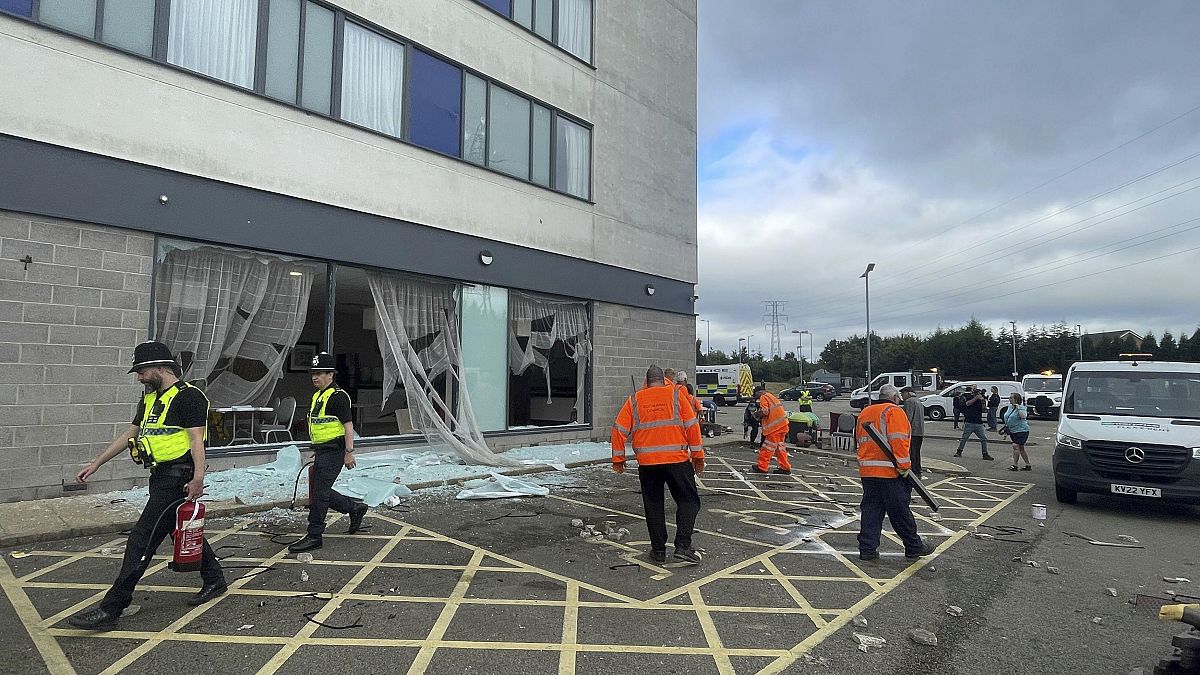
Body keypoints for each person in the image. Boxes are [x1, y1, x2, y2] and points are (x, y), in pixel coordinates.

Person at [67, 341, 227, 629]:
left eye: (141, 370)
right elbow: (132, 432)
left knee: (142, 538)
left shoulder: (190, 397)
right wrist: (98, 462)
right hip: (159, 476)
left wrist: (198, 478)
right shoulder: (150, 398)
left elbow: (196, 441)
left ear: (161, 367)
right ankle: (215, 579)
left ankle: (112, 607)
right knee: (175, 530)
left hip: (178, 479)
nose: (139, 377)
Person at [611, 365, 704, 564]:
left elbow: (618, 430)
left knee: (654, 506)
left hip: (648, 464)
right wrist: (698, 456)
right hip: (677, 461)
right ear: (664, 380)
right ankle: (683, 546)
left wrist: (619, 459)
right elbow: (692, 427)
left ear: (646, 381)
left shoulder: (635, 399)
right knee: (689, 501)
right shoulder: (677, 396)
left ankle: (659, 551)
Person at [288, 352, 368, 553]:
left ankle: (315, 535)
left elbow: (348, 426)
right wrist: (317, 448)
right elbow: (321, 426)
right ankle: (355, 508)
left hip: (336, 451)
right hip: (323, 450)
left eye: (320, 373)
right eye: (313, 373)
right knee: (319, 491)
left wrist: (349, 452)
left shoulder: (338, 396)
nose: (315, 377)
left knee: (320, 494)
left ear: (330, 374)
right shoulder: (318, 396)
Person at [854, 384, 935, 561]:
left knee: (871, 510)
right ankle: (914, 546)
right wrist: (905, 467)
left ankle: (867, 549)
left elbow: (858, 440)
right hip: (890, 471)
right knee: (899, 511)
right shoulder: (894, 411)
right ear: (895, 397)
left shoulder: (865, 412)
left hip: (868, 470)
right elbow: (899, 441)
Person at [751, 384, 791, 474]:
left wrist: (756, 414)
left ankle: (762, 467)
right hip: (783, 425)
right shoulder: (771, 396)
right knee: (780, 448)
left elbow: (765, 411)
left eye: (755, 395)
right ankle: (785, 467)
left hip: (775, 428)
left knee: (767, 448)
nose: (756, 397)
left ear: (758, 392)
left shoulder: (763, 397)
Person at [954, 387, 994, 460]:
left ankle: (985, 454)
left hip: (978, 422)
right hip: (969, 422)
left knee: (983, 439)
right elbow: (967, 404)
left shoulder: (981, 400)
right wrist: (976, 398)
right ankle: (959, 451)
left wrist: (982, 401)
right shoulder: (969, 397)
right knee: (964, 438)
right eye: (976, 393)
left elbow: (984, 410)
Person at [1002, 393, 1032, 471]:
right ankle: (1028, 464)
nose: (1009, 399)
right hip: (1013, 430)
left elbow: (1023, 416)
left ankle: (1015, 465)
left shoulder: (1021, 407)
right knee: (1021, 448)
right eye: (1010, 397)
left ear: (1016, 399)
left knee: (1015, 446)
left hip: (1021, 430)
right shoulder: (1009, 407)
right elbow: (1007, 417)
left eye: (1011, 398)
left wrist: (1018, 408)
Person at [900, 386, 925, 477]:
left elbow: (908, 418)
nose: (902, 396)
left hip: (912, 431)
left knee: (912, 452)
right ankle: (918, 469)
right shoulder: (918, 401)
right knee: (917, 452)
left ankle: (914, 471)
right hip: (920, 431)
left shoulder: (909, 402)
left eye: (903, 393)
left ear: (908, 393)